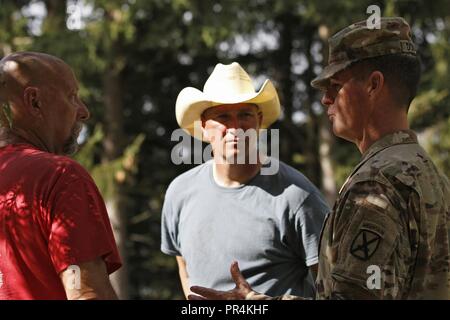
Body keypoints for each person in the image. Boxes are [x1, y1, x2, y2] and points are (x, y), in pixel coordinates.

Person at [189, 17, 450, 300]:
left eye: (335, 84)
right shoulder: (429, 175)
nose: (326, 98)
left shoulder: (377, 183)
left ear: (373, 85)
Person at [161, 62, 329, 298]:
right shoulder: (179, 192)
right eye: (223, 116)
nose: (235, 128)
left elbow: (337, 288)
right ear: (204, 126)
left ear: (259, 121)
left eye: (244, 115)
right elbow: (184, 266)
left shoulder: (297, 196)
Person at [0, 52, 121, 299]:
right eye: (72, 96)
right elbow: (86, 293)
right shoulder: (60, 177)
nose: (84, 111)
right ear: (34, 101)